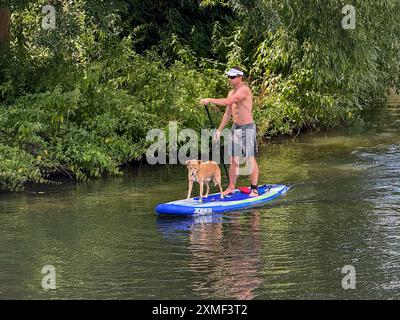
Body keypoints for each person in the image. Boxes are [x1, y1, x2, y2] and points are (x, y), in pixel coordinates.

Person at [200, 67, 259, 197]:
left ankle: (254, 189)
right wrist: (219, 131)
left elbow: (229, 102)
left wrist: (210, 100)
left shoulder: (244, 90)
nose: (230, 79)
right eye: (229, 77)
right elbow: (227, 114)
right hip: (235, 128)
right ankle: (231, 187)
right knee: (233, 160)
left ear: (240, 77)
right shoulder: (230, 93)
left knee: (250, 159)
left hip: (247, 128)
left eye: (232, 77)